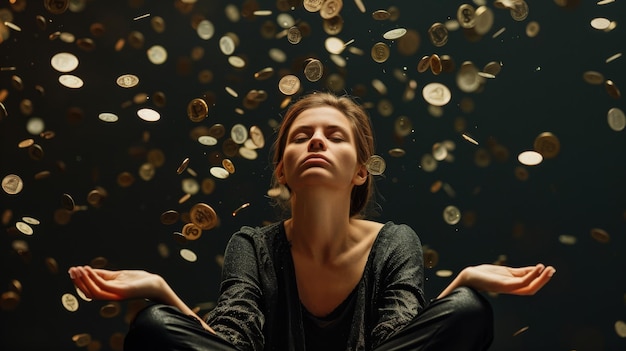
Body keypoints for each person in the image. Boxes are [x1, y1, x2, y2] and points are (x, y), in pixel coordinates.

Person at [68, 92, 556, 351]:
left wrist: (463, 282)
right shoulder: (253, 246)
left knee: (469, 309)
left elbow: (401, 338)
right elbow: (230, 342)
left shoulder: (395, 242)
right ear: (282, 168)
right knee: (153, 324)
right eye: (302, 136)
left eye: (334, 136)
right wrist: (159, 290)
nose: (317, 141)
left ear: (361, 170)